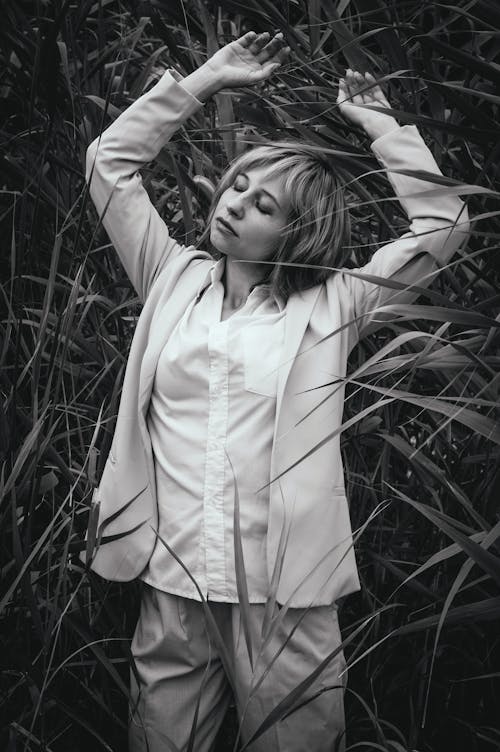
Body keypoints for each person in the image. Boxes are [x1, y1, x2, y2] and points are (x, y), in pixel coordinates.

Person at [83, 30, 469, 752]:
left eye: (265, 205)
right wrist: (205, 80)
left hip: (285, 593)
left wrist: (381, 124)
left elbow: (445, 226)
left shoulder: (336, 306)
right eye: (239, 184)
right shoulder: (170, 277)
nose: (236, 203)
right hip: (172, 580)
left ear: (300, 233)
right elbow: (108, 165)